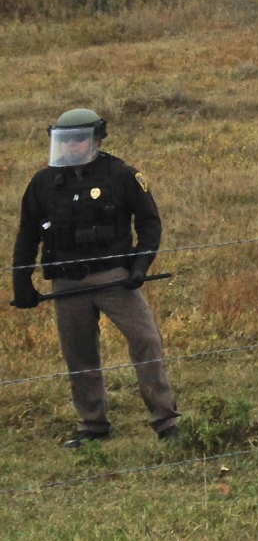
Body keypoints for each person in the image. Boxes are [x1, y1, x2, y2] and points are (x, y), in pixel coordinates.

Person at [10, 108, 180, 447]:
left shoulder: (122, 175)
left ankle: (166, 421)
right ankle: (92, 424)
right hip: (66, 283)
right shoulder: (43, 183)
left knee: (147, 341)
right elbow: (27, 234)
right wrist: (22, 283)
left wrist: (139, 268)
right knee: (79, 355)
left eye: (80, 139)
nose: (72, 146)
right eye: (65, 140)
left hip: (115, 278)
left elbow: (150, 223)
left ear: (98, 139)